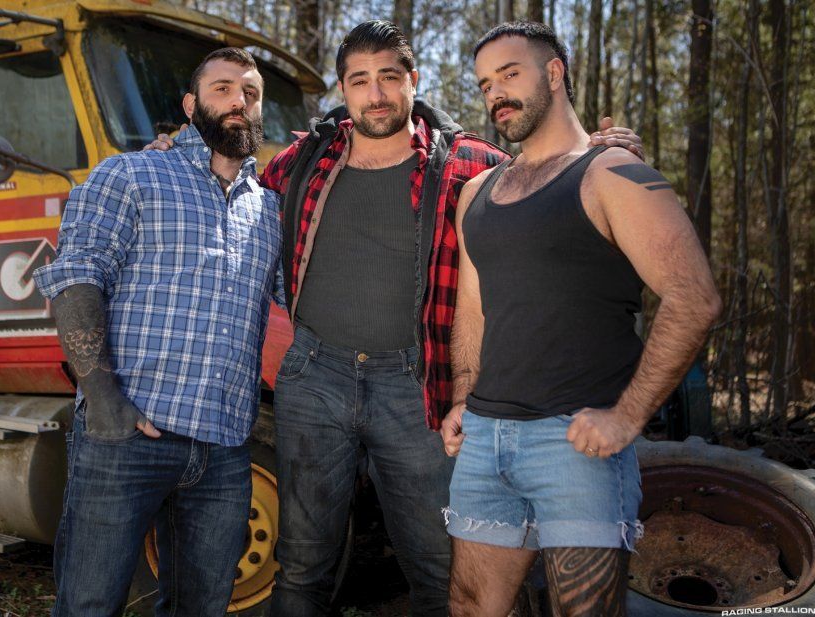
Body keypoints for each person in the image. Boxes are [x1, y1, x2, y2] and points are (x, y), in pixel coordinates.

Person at [145, 21, 642, 616]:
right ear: (343, 90)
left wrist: (597, 153)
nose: (375, 94)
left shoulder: (469, 164)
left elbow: (546, 173)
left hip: (416, 384)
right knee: (302, 564)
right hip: (314, 377)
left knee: (436, 563)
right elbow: (229, 177)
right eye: (359, 81)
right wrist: (178, 149)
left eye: (388, 77)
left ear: (413, 80)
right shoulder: (306, 160)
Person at [439, 22, 722, 617]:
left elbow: (694, 296)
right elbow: (472, 309)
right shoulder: (477, 192)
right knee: (469, 606)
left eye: (510, 74)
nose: (496, 93)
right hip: (485, 439)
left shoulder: (613, 172)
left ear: (554, 73)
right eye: (486, 84)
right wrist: (463, 396)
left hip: (575, 444)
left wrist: (627, 416)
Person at [33, 47, 284, 616]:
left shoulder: (269, 210)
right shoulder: (132, 174)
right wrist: (103, 400)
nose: (239, 101)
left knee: (201, 607)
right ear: (191, 106)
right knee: (89, 604)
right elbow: (76, 278)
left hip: (223, 449)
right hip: (129, 436)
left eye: (250, 92)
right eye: (222, 89)